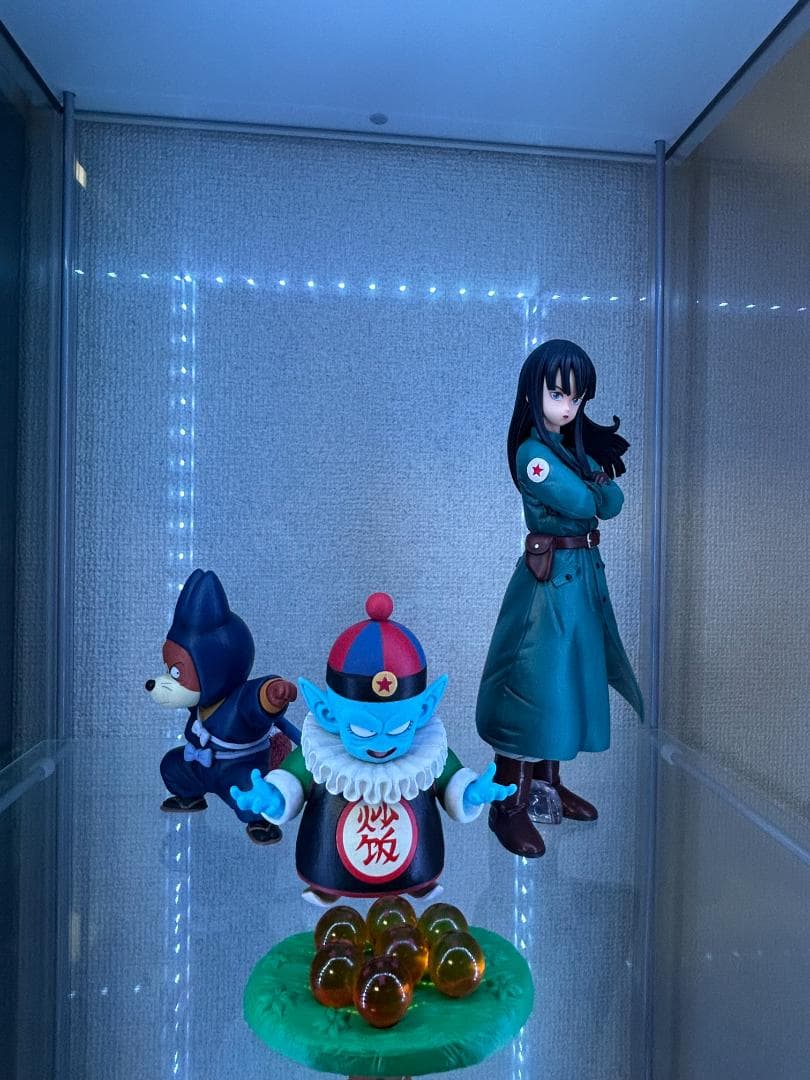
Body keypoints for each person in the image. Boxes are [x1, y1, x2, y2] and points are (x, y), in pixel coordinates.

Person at [476, 339, 643, 858]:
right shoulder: (533, 455)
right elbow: (582, 500)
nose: (568, 407)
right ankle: (508, 801)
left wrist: (593, 482)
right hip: (548, 583)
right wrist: (593, 481)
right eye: (558, 394)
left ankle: (547, 786)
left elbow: (612, 504)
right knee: (534, 681)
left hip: (581, 579)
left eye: (576, 397)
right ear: (534, 393)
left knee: (568, 680)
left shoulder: (572, 449)